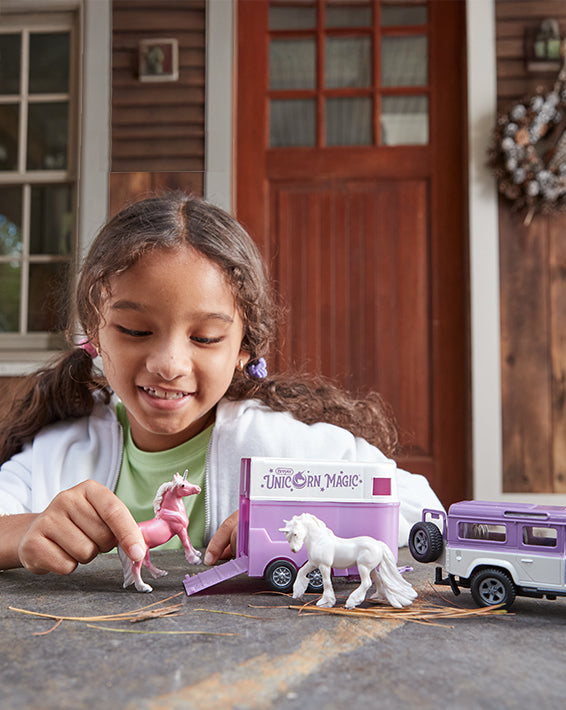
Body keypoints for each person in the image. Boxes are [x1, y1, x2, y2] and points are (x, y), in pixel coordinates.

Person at [0, 192, 443, 575]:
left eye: (205, 338)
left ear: (243, 349)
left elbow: (424, 511)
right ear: (94, 332)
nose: (169, 364)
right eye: (135, 330)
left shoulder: (278, 444)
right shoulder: (59, 453)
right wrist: (24, 532)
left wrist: (299, 518)